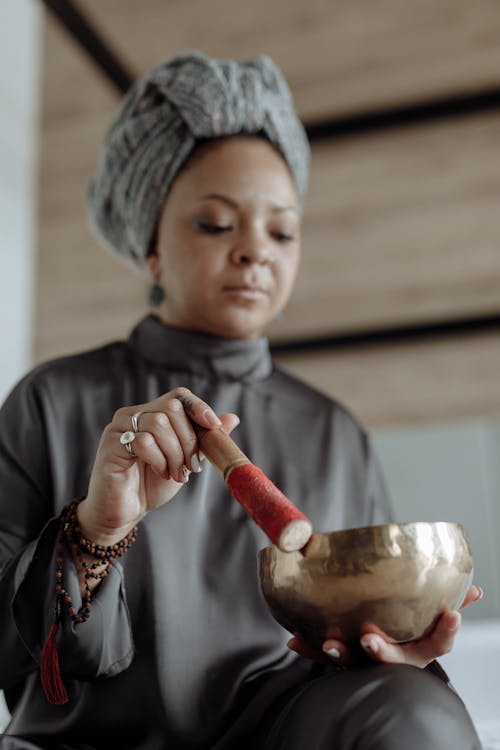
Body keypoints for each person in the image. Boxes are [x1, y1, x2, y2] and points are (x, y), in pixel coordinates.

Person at [0, 51, 483, 750]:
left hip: (285, 732)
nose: (256, 250)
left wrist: (391, 652)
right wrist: (96, 531)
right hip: (91, 740)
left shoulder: (333, 430)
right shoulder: (50, 401)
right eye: (217, 224)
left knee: (414, 710)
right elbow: (13, 652)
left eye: (281, 231)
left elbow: (351, 648)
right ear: (151, 248)